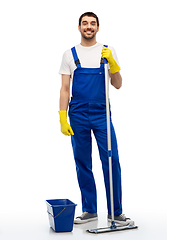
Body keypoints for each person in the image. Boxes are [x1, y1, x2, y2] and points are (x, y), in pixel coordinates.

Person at [59, 12, 135, 226]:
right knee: (82, 161)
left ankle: (116, 212)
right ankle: (89, 210)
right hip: (78, 114)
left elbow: (118, 84)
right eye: (85, 23)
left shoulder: (107, 52)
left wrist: (113, 63)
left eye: (92, 23)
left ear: (98, 28)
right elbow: (65, 88)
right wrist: (62, 117)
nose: (88, 27)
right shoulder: (69, 54)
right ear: (79, 27)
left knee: (112, 161)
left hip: (102, 114)